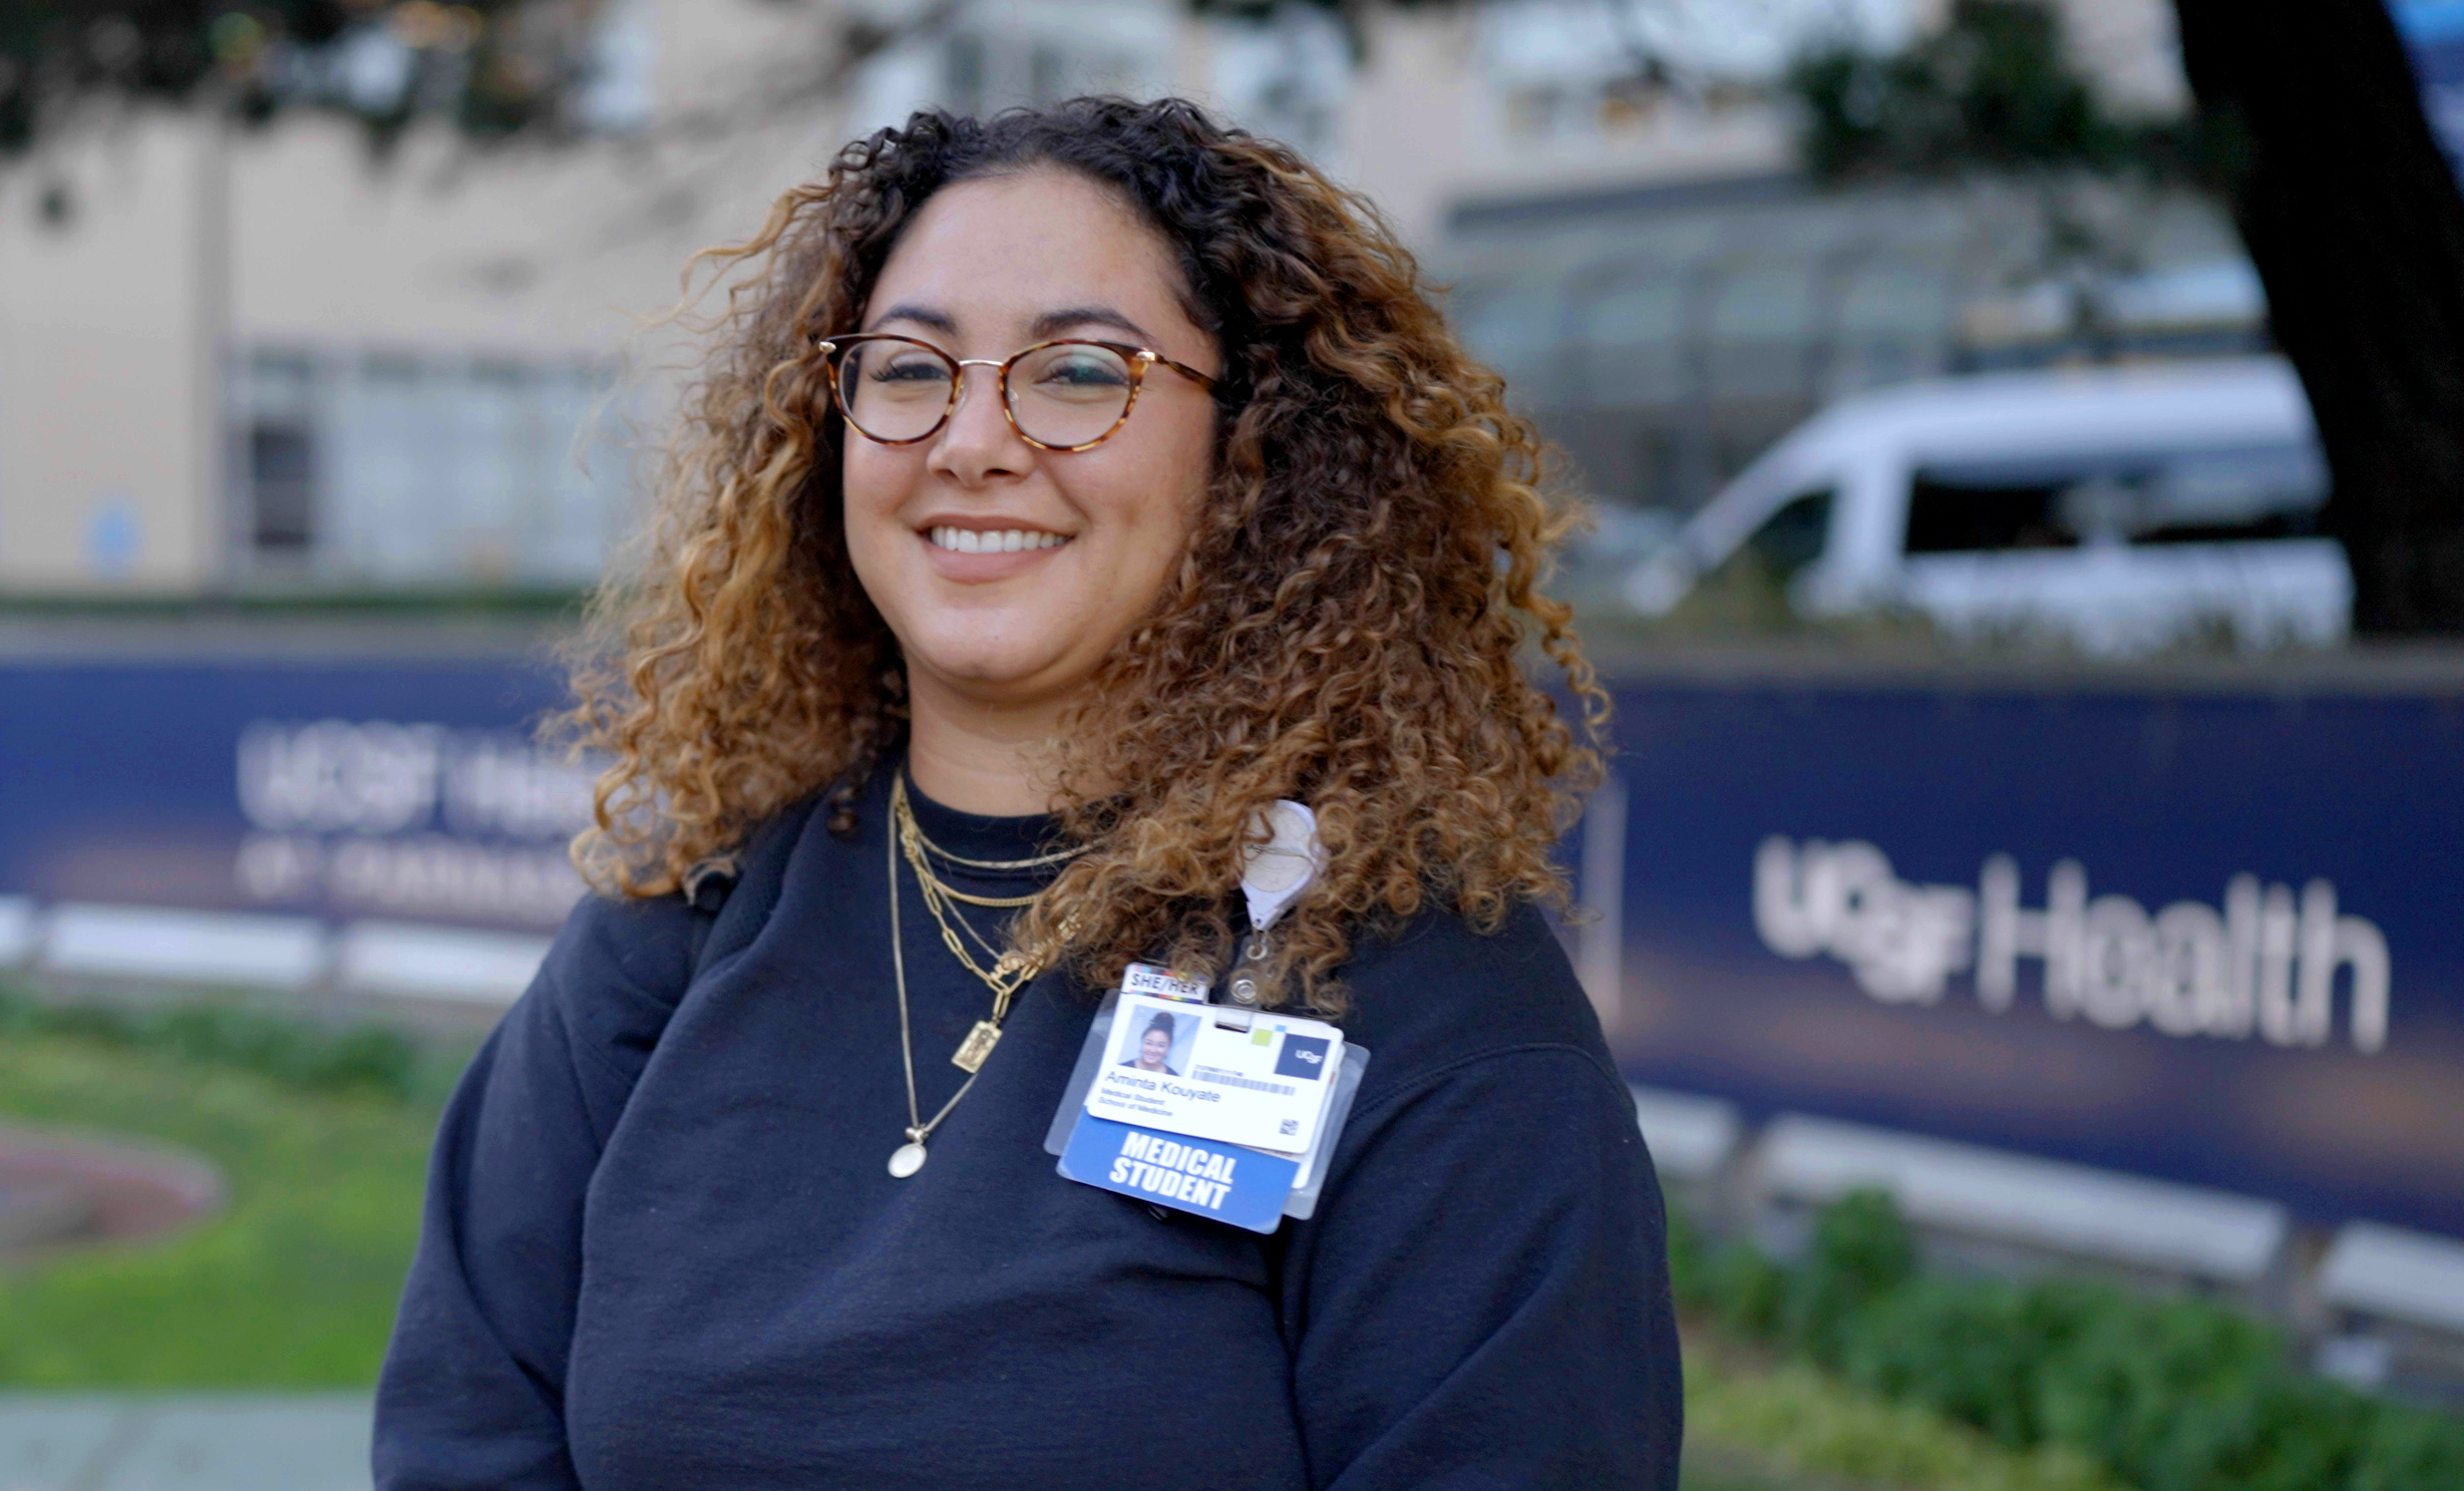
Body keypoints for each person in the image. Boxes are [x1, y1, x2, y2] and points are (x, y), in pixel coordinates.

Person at [375, 97, 1676, 1489]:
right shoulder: (676, 930)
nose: (972, 441)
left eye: (1075, 373)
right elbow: (470, 1433)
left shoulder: (1432, 1010)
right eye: (908, 369)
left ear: (1256, 446)